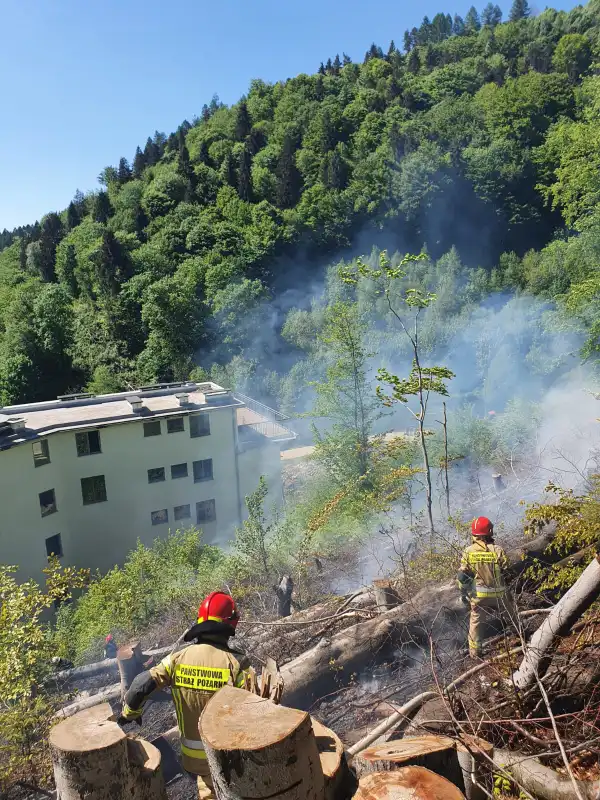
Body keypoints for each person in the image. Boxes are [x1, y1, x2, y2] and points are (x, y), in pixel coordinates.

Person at [120, 592, 250, 799]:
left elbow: (139, 684)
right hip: (229, 758)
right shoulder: (236, 664)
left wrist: (129, 713)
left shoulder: (177, 659)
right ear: (232, 623)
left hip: (193, 760)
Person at [457, 516, 514, 658]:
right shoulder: (497, 550)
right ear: (489, 532)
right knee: (512, 615)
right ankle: (521, 636)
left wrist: (464, 593)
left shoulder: (468, 551)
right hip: (499, 595)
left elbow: (463, 576)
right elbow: (508, 570)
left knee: (475, 622)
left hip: (479, 596)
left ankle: (475, 652)